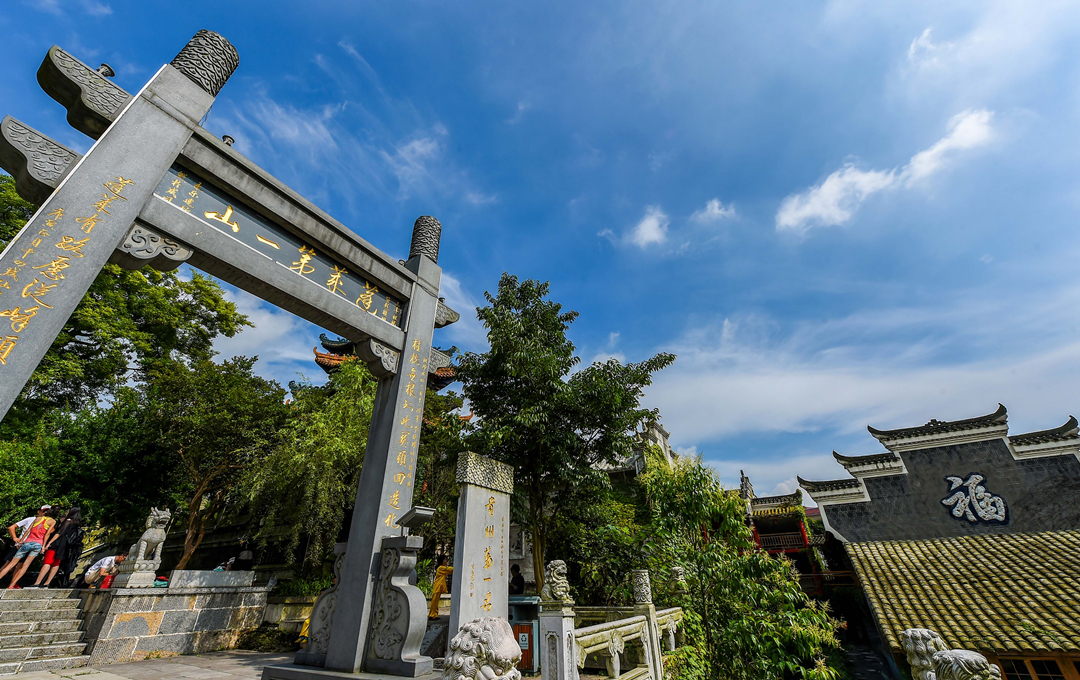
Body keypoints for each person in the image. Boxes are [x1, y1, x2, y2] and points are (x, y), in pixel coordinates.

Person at [0, 506, 56, 589]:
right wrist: (43, 546)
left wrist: (21, 540)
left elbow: (28, 530)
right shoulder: (52, 521)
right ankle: (12, 585)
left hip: (27, 543)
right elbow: (48, 534)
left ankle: (12, 584)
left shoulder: (36, 519)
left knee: (11, 564)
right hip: (38, 544)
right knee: (25, 565)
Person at [32, 506, 81, 588]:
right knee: (56, 563)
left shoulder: (68, 521)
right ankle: (47, 583)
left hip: (57, 543)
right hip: (65, 546)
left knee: (47, 562)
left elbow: (59, 533)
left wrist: (49, 543)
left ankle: (37, 582)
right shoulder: (76, 523)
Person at [1, 507, 48, 571]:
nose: (45, 513)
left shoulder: (48, 522)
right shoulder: (30, 519)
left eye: (47, 511)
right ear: (38, 511)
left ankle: (13, 581)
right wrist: (15, 538)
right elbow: (12, 527)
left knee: (20, 567)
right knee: (8, 565)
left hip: (32, 545)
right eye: (43, 511)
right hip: (21, 544)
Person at [428, 554, 453, 619]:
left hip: (438, 587)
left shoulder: (440, 568)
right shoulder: (441, 568)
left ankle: (434, 615)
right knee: (434, 602)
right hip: (437, 587)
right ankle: (432, 615)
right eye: (445, 560)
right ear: (442, 561)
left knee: (436, 602)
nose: (446, 561)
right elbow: (450, 569)